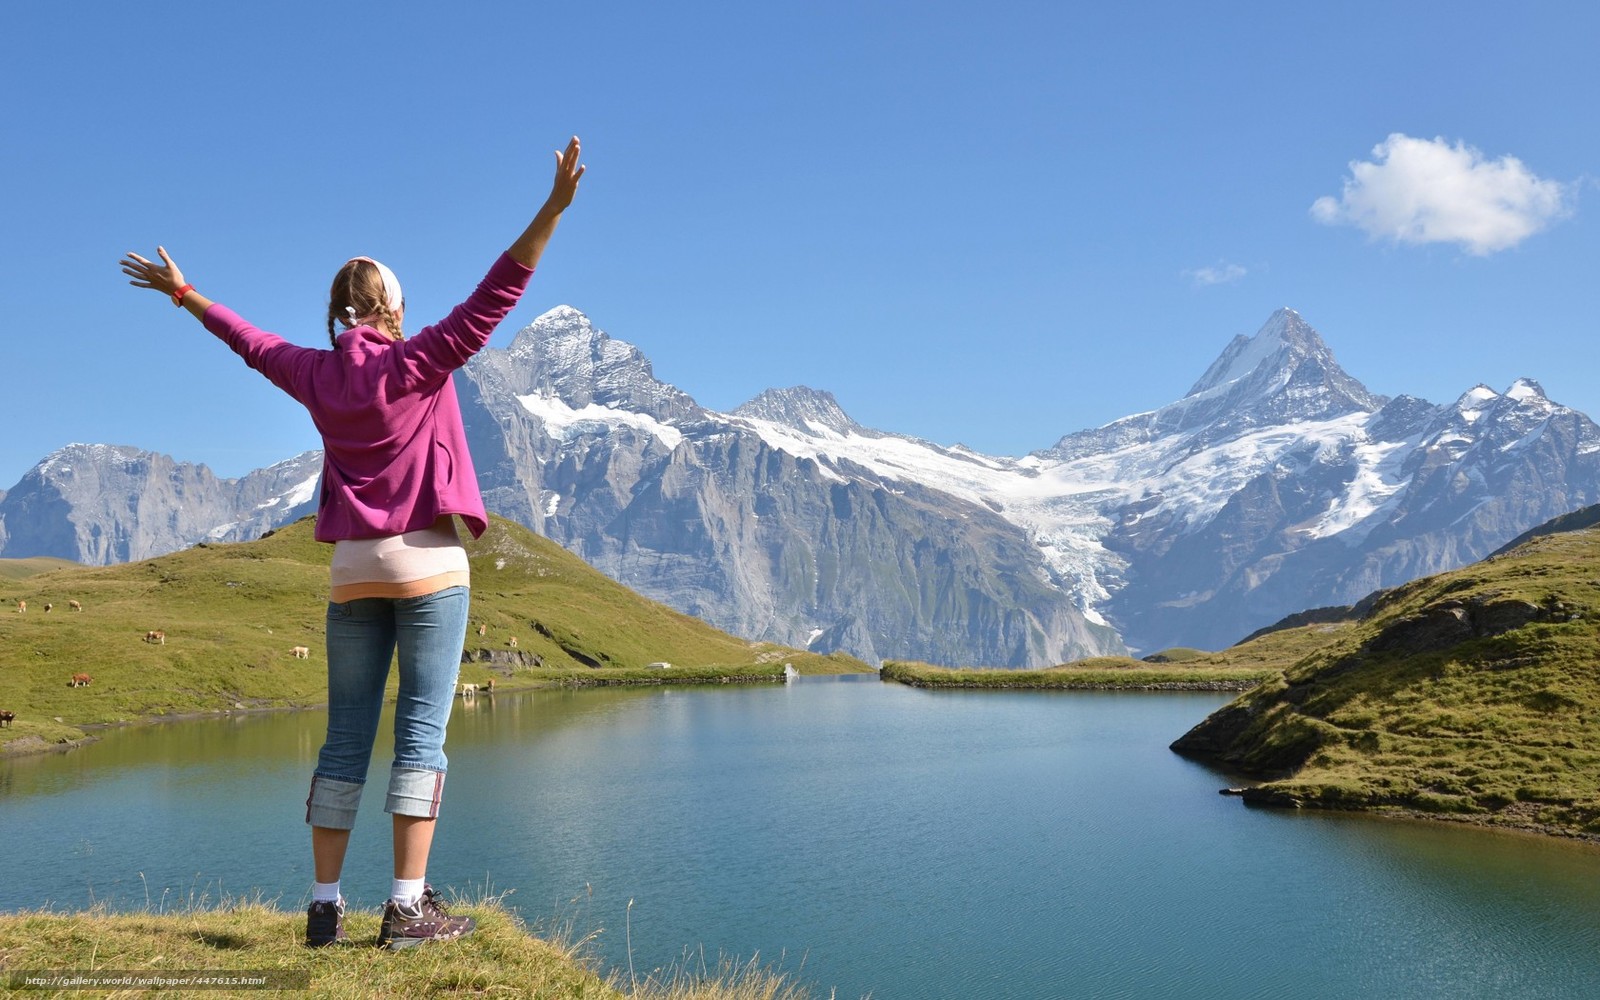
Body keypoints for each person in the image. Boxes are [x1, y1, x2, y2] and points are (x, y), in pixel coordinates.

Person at [119, 137, 585, 949]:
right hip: (430, 565)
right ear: (393, 309)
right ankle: (407, 907)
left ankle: (324, 906)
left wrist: (184, 292)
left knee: (343, 737)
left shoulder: (316, 373)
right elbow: (497, 293)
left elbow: (246, 338)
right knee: (420, 736)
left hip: (349, 572)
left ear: (339, 312)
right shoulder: (418, 362)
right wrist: (550, 209)